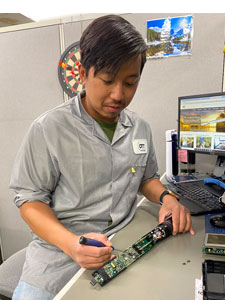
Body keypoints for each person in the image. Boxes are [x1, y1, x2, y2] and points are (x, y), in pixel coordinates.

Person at [10, 14, 194, 300]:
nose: (118, 95)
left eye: (130, 83)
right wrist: (72, 244)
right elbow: (30, 202)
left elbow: (146, 177)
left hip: (122, 247)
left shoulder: (140, 128)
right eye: (107, 80)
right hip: (58, 258)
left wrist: (168, 198)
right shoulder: (48, 129)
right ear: (83, 74)